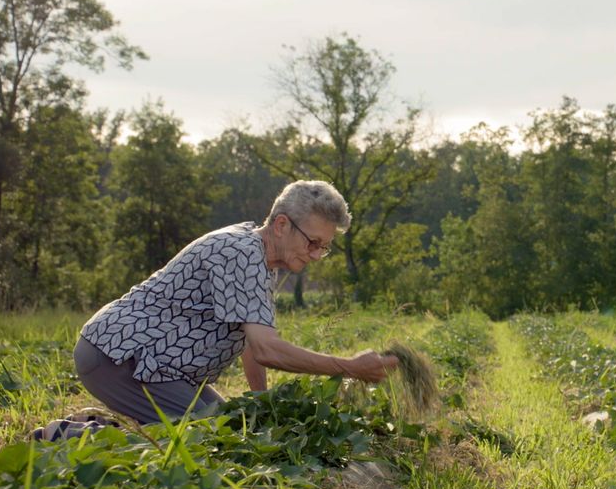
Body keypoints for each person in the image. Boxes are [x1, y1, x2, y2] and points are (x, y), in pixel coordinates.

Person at [74, 180, 399, 424]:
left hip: (158, 368)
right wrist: (349, 368)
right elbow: (267, 349)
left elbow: (249, 343)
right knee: (212, 436)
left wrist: (261, 401)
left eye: (323, 247)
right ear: (282, 224)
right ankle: (72, 436)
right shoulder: (241, 253)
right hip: (120, 357)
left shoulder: (262, 262)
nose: (315, 255)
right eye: (313, 242)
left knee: (236, 425)